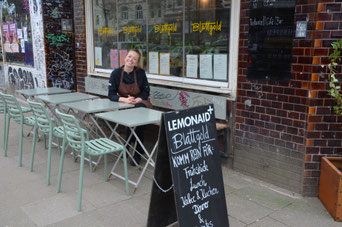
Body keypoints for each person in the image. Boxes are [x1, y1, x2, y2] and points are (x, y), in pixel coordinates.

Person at [108, 49, 152, 166]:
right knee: (133, 114)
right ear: (125, 57)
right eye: (129, 56)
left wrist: (137, 99)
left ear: (137, 62)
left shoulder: (140, 73)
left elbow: (146, 92)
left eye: (134, 59)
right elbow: (111, 94)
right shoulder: (116, 74)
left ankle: (131, 148)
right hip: (125, 103)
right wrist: (125, 100)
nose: (131, 60)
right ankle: (135, 148)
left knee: (138, 111)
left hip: (141, 102)